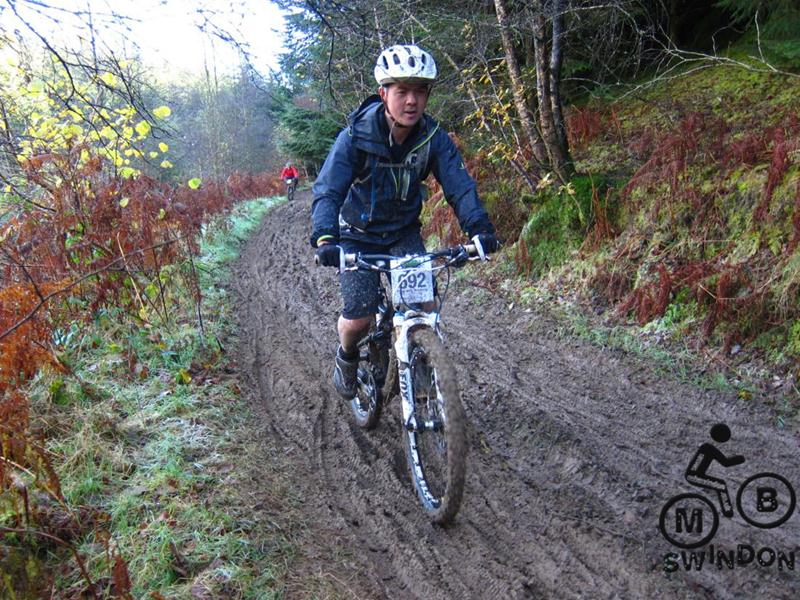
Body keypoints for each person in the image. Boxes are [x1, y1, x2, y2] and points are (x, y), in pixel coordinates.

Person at [310, 44, 499, 400]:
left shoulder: (433, 139)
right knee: (359, 318)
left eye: (420, 91)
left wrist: (480, 229)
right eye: (402, 91)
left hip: (402, 234)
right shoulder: (355, 136)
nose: (412, 101)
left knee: (424, 308)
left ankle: (423, 373)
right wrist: (325, 238)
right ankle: (346, 357)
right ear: (383, 94)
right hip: (357, 236)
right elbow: (328, 190)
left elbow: (459, 186)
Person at [684, 423, 745, 517]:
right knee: (720, 485)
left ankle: (727, 511)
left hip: (694, 475)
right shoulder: (708, 448)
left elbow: (725, 462)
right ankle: (727, 511)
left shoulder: (708, 447)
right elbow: (725, 462)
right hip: (693, 476)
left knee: (720, 485)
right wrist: (741, 459)